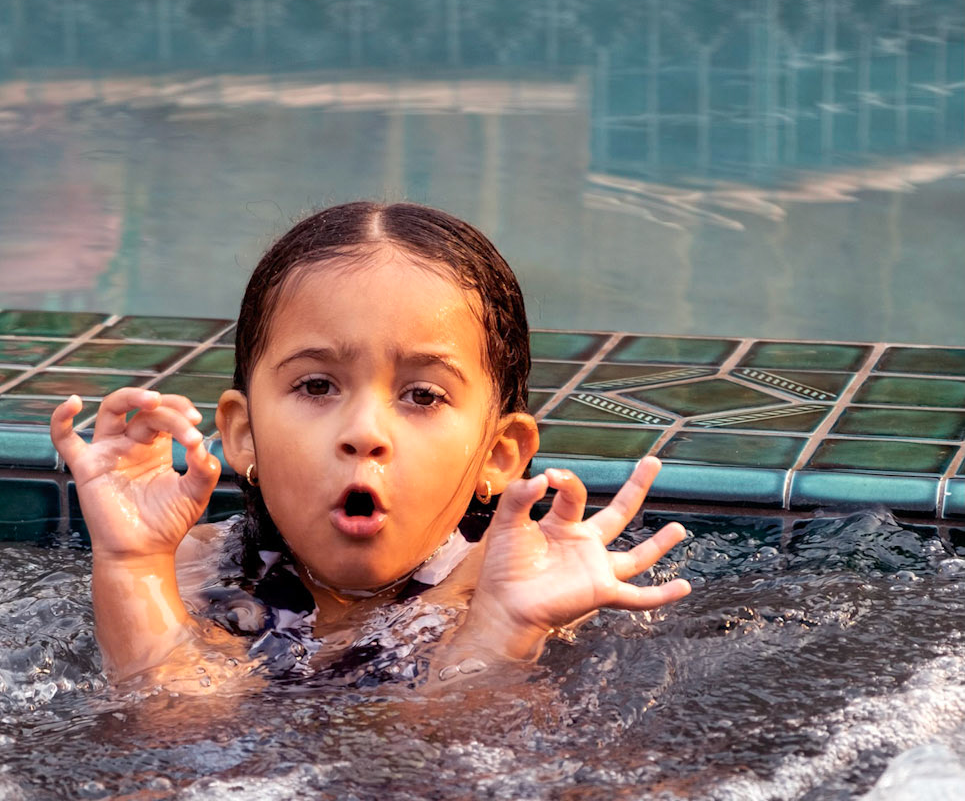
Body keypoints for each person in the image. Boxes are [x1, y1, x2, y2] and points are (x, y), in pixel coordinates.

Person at [51, 201, 690, 688]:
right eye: (318, 385)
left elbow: (459, 771)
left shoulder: (520, 588)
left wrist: (502, 635)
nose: (364, 433)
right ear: (244, 435)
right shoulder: (190, 570)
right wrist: (131, 563)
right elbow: (177, 730)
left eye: (423, 396)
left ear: (498, 455)